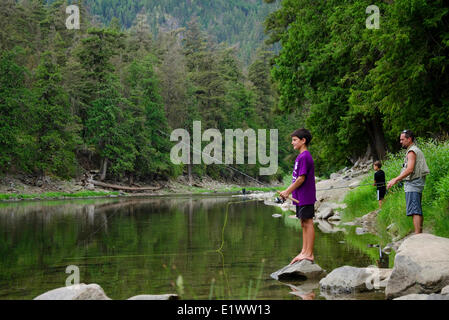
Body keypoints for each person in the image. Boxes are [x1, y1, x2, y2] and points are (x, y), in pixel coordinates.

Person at [279, 128, 316, 265]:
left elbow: (301, 179)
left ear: (303, 140)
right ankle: (304, 251)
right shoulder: (300, 156)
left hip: (306, 195)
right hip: (299, 196)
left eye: (294, 140)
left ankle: (309, 254)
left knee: (308, 222)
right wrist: (288, 190)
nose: (292, 142)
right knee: (303, 223)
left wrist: (287, 191)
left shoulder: (305, 156)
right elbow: (296, 178)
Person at [387, 130, 430, 234]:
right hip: (415, 183)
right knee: (417, 208)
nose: (400, 142)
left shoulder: (412, 152)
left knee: (415, 210)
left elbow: (410, 169)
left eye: (402, 139)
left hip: (414, 184)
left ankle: (417, 235)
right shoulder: (413, 150)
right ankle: (419, 233)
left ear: (409, 139)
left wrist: (395, 180)